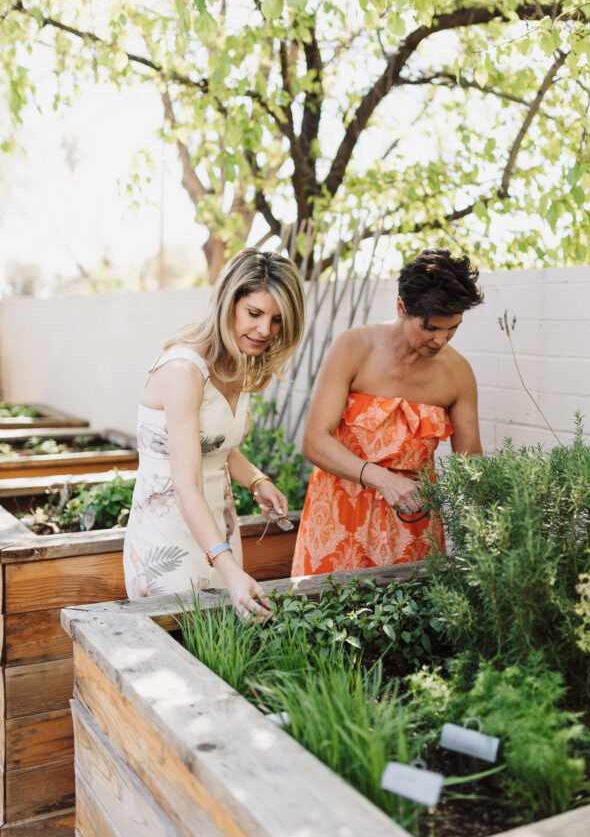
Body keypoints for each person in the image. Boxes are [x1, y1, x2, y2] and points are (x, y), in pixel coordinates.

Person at [123, 248, 306, 620]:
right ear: (228, 303)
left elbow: (216, 447)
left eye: (276, 320)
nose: (264, 331)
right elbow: (185, 483)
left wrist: (257, 482)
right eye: (254, 314)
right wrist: (230, 571)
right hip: (169, 535)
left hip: (218, 528)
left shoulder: (237, 361)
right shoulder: (184, 370)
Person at [291, 248, 483, 576]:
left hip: (413, 525)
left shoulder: (458, 374)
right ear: (401, 307)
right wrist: (383, 479)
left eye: (452, 328)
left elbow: (471, 465)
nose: (441, 340)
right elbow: (314, 441)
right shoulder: (353, 347)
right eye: (431, 328)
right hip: (337, 518)